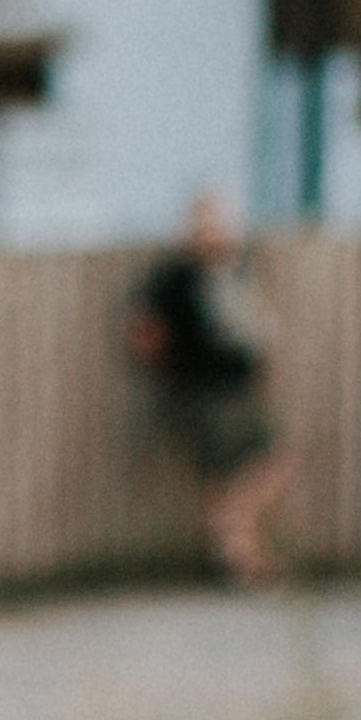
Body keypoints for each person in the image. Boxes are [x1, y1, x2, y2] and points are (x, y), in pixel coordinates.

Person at [129, 187, 292, 584]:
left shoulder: (233, 269)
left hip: (238, 388)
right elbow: (145, 333)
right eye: (205, 224)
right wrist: (178, 370)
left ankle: (231, 548)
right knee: (228, 474)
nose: (213, 232)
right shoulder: (175, 275)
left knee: (258, 467)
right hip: (203, 392)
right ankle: (237, 556)